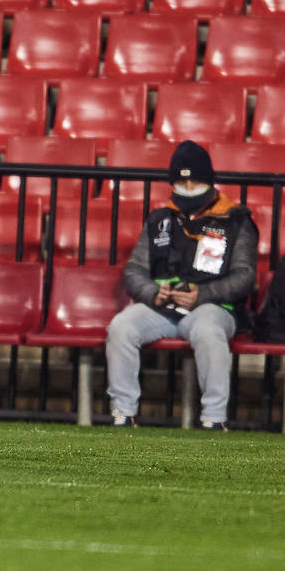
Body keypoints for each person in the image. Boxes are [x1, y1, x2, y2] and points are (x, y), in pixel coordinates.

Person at [105, 140, 257, 430]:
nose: (188, 187)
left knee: (209, 331)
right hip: (163, 307)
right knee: (121, 326)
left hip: (213, 307)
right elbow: (134, 269)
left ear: (209, 182)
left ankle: (214, 419)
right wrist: (152, 291)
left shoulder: (236, 221)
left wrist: (204, 294)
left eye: (195, 181)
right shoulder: (160, 219)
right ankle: (123, 414)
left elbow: (245, 276)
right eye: (181, 182)